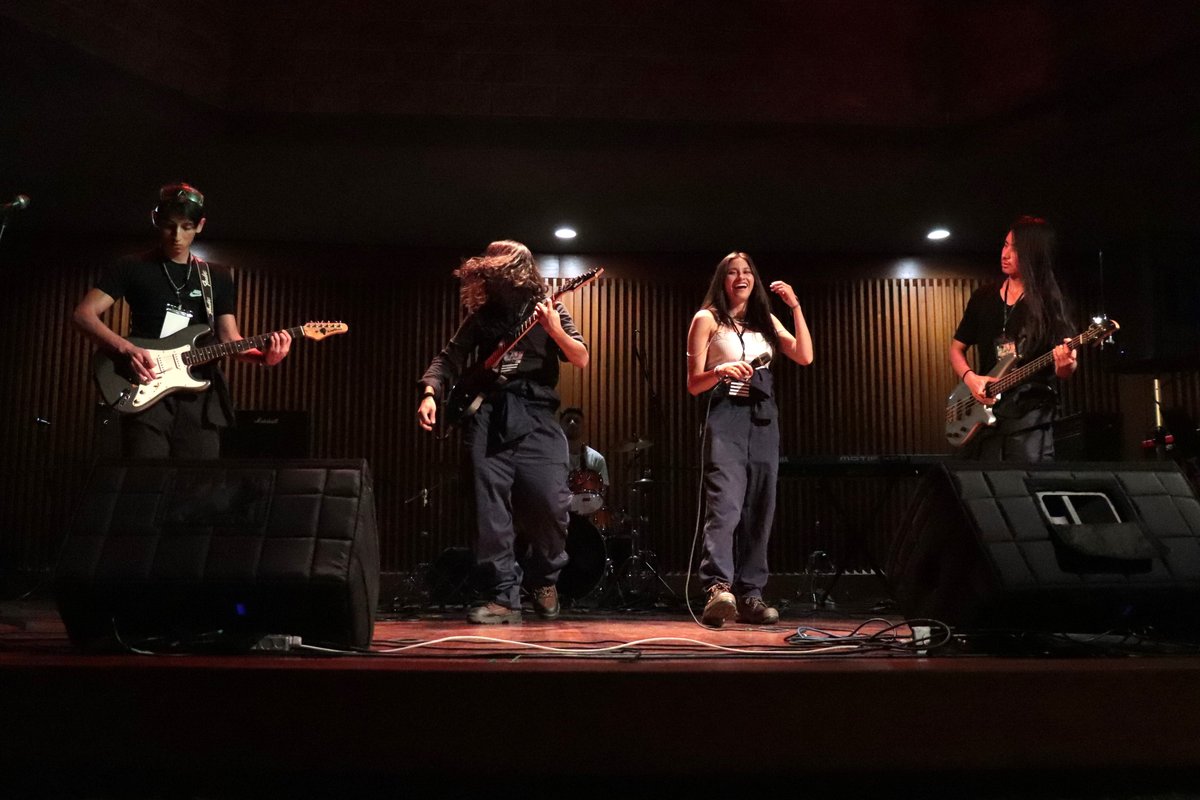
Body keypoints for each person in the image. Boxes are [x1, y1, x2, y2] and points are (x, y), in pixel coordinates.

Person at [417, 240, 589, 624]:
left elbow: (580, 356)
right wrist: (430, 392)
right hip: (488, 415)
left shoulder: (550, 307)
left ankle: (544, 580)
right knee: (489, 511)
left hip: (537, 416)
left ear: (521, 274)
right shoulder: (482, 315)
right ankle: (502, 595)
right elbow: (449, 357)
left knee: (551, 504)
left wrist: (554, 329)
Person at [73, 182, 292, 458]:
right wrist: (126, 348)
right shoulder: (131, 267)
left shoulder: (217, 276)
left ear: (200, 225)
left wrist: (264, 358)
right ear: (156, 220)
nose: (177, 235)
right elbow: (83, 314)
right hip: (146, 388)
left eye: (187, 226)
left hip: (198, 400)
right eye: (169, 225)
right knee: (146, 484)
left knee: (195, 488)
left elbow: (229, 339)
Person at [686, 251, 814, 627]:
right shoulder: (706, 319)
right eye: (732, 272)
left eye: (746, 271)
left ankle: (750, 594)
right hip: (725, 416)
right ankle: (717, 589)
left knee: (761, 508)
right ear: (721, 280)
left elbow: (804, 356)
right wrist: (720, 370)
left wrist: (795, 307)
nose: (740, 277)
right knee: (724, 506)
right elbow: (693, 384)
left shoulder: (765, 320)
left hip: (763, 420)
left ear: (754, 279)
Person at [949, 216, 1077, 462]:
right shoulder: (983, 297)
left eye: (1015, 248)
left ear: (1033, 255)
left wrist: (1066, 365)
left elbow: (1067, 368)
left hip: (1030, 418)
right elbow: (956, 349)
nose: (1005, 253)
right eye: (1005, 245)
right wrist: (971, 378)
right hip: (986, 417)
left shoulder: (1049, 302)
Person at [559, 406, 609, 485]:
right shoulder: (552, 458)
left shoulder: (597, 459)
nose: (572, 423)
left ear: (583, 426)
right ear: (560, 426)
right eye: (568, 420)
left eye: (577, 421)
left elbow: (602, 491)